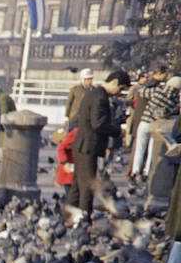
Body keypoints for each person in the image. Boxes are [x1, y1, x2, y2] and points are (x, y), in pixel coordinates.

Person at [69, 69, 131, 217]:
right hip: (88, 146)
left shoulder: (95, 93)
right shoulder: (100, 97)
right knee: (87, 187)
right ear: (114, 82)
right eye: (120, 89)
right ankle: (84, 221)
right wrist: (118, 131)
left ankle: (70, 218)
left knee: (77, 186)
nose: (119, 93)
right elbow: (98, 124)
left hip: (82, 145)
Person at [132, 71, 180, 181]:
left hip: (144, 122)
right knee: (151, 150)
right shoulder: (174, 99)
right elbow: (172, 112)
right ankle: (146, 172)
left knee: (140, 148)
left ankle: (135, 171)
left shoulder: (158, 90)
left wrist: (152, 83)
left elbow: (142, 92)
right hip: (157, 126)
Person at [55, 125, 79, 195]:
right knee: (71, 195)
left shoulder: (76, 132)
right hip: (69, 171)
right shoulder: (75, 133)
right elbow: (61, 147)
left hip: (71, 171)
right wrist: (65, 162)